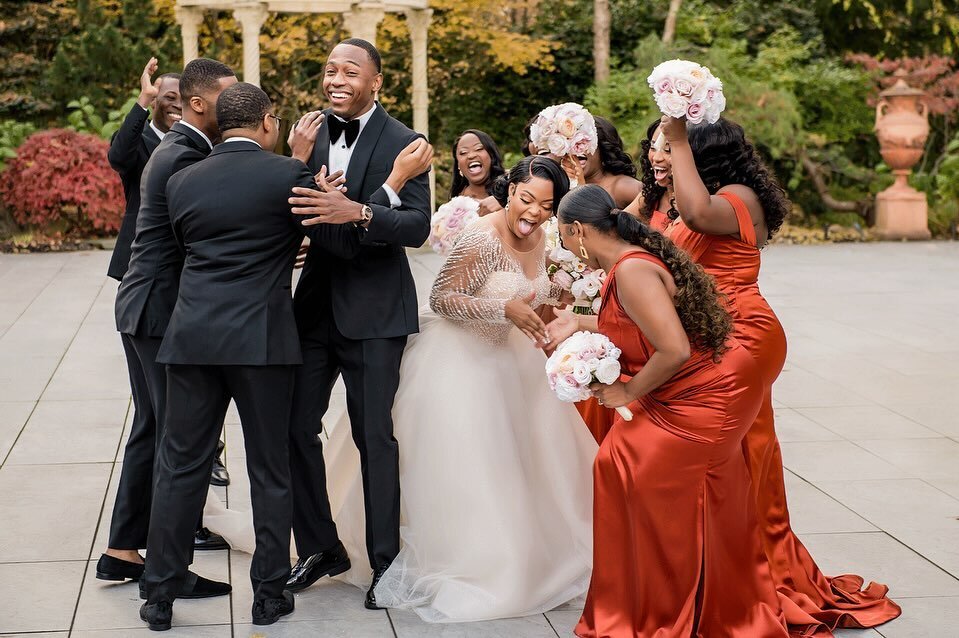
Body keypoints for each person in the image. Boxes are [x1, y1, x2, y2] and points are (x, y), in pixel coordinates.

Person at [313, 156, 597, 622]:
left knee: (533, 463)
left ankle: (537, 549)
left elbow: (542, 297)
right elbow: (442, 299)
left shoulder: (546, 241)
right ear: (510, 191)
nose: (534, 213)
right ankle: (483, 557)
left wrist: (563, 297)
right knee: (479, 466)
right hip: (461, 364)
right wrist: (502, 309)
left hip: (516, 365)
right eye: (527, 199)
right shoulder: (480, 236)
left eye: (546, 206)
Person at [648, 114, 901, 634]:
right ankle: (726, 572)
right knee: (740, 459)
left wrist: (675, 137)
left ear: (705, 152)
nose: (667, 156)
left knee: (726, 460)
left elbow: (695, 215)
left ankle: (747, 581)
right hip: (708, 339)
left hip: (741, 336)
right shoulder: (698, 195)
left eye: (676, 148)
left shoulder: (739, 199)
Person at [137, 82, 362, 631]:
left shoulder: (182, 179)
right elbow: (316, 234)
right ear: (267, 122)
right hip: (261, 340)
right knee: (268, 468)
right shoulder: (288, 175)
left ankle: (160, 595)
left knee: (180, 464)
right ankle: (267, 596)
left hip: (191, 339)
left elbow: (189, 244)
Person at [547, 184, 789, 637]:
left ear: (578, 230)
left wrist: (627, 392)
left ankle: (659, 610)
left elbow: (674, 348)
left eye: (562, 237)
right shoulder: (626, 265)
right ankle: (664, 597)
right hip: (687, 389)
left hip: (707, 395)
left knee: (622, 461)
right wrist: (579, 325)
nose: (566, 248)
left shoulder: (632, 270)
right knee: (615, 460)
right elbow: (633, 322)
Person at [281, 38, 433, 610]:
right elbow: (295, 208)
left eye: (350, 71)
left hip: (374, 314)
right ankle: (322, 547)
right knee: (294, 427)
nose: (336, 79)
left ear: (376, 81)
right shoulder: (310, 134)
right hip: (314, 308)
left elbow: (418, 226)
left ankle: (386, 564)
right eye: (329, 70)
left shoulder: (405, 144)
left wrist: (363, 209)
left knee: (375, 437)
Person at [103, 58, 237, 592]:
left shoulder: (182, 149)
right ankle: (167, 568)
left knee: (153, 427)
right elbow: (206, 235)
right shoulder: (183, 155)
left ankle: (122, 549)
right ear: (200, 104)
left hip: (143, 306)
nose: (235, 109)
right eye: (227, 100)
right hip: (159, 311)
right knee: (180, 439)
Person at [582, 116, 642, 208]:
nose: (577, 149)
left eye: (583, 142)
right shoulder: (562, 185)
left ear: (603, 148)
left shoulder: (623, 186)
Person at [448, 129, 505, 216]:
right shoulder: (454, 207)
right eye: (463, 153)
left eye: (478, 149)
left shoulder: (512, 189)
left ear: (491, 155)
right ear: (458, 165)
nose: (471, 156)